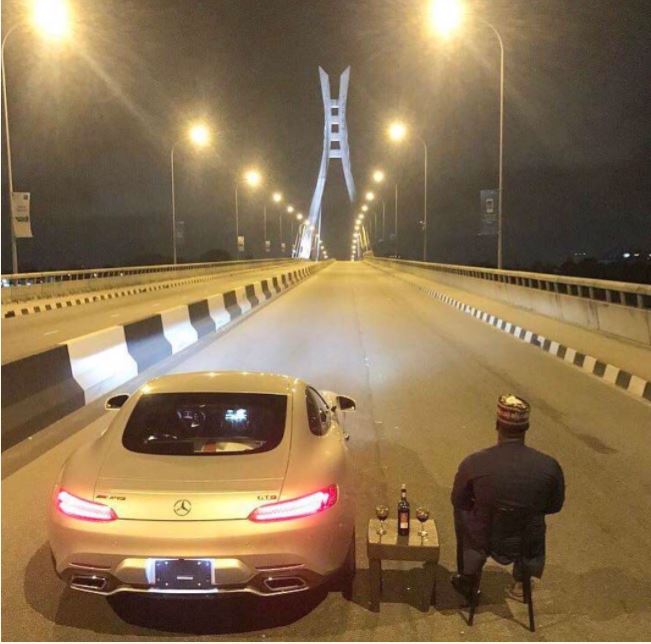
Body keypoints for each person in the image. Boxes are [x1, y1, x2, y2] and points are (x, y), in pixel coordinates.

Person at [450, 394, 565, 602]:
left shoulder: (474, 463)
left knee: (462, 510)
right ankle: (523, 581)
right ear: (526, 427)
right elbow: (554, 506)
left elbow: (459, 501)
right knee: (533, 515)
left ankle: (468, 576)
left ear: (497, 425)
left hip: (484, 538)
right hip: (526, 542)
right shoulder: (549, 466)